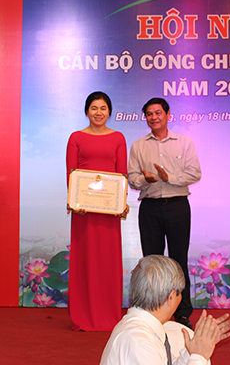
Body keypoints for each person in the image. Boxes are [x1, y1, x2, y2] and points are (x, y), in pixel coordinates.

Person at [128, 97, 201, 326]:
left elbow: (195, 173)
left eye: (158, 113)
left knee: (179, 260)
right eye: (149, 114)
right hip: (150, 208)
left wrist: (170, 178)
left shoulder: (184, 142)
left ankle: (182, 313)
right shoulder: (138, 146)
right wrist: (145, 180)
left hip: (178, 206)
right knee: (151, 262)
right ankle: (151, 312)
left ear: (168, 115)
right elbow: (132, 178)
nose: (154, 117)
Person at [66, 91, 129, 331]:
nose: (98, 112)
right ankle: (82, 316)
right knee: (85, 261)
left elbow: (122, 174)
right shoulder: (76, 138)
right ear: (86, 111)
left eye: (103, 108)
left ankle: (109, 315)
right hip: (84, 211)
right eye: (94, 108)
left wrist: (122, 203)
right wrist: (74, 201)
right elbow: (71, 173)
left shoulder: (118, 138)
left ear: (109, 112)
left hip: (109, 212)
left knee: (107, 262)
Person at [100, 255, 230, 365]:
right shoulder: (140, 343)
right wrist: (199, 356)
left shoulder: (141, 328)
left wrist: (192, 351)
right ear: (171, 297)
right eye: (180, 293)